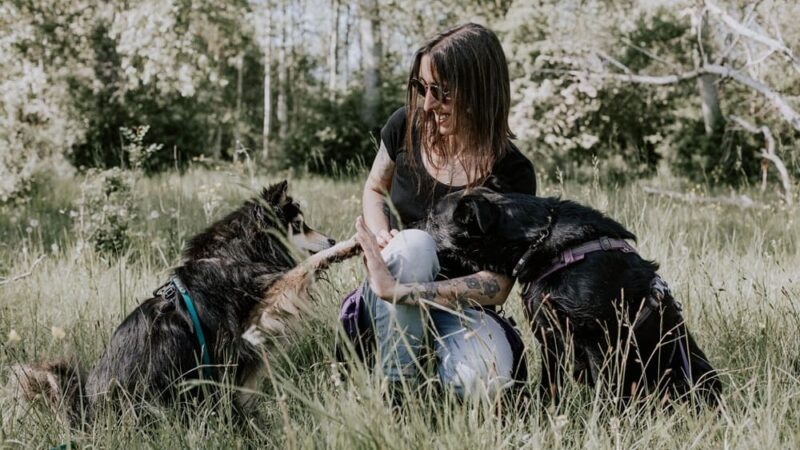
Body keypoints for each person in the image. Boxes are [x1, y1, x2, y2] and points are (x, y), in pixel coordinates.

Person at [352, 23, 536, 400]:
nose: (428, 103)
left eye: (442, 92)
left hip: (461, 308)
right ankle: (396, 393)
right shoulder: (405, 125)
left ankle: (434, 361)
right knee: (414, 247)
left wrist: (411, 291)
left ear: (480, 92)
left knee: (484, 383)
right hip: (389, 299)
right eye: (422, 88)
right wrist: (383, 233)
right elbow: (374, 189)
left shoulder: (512, 173)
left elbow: (497, 286)